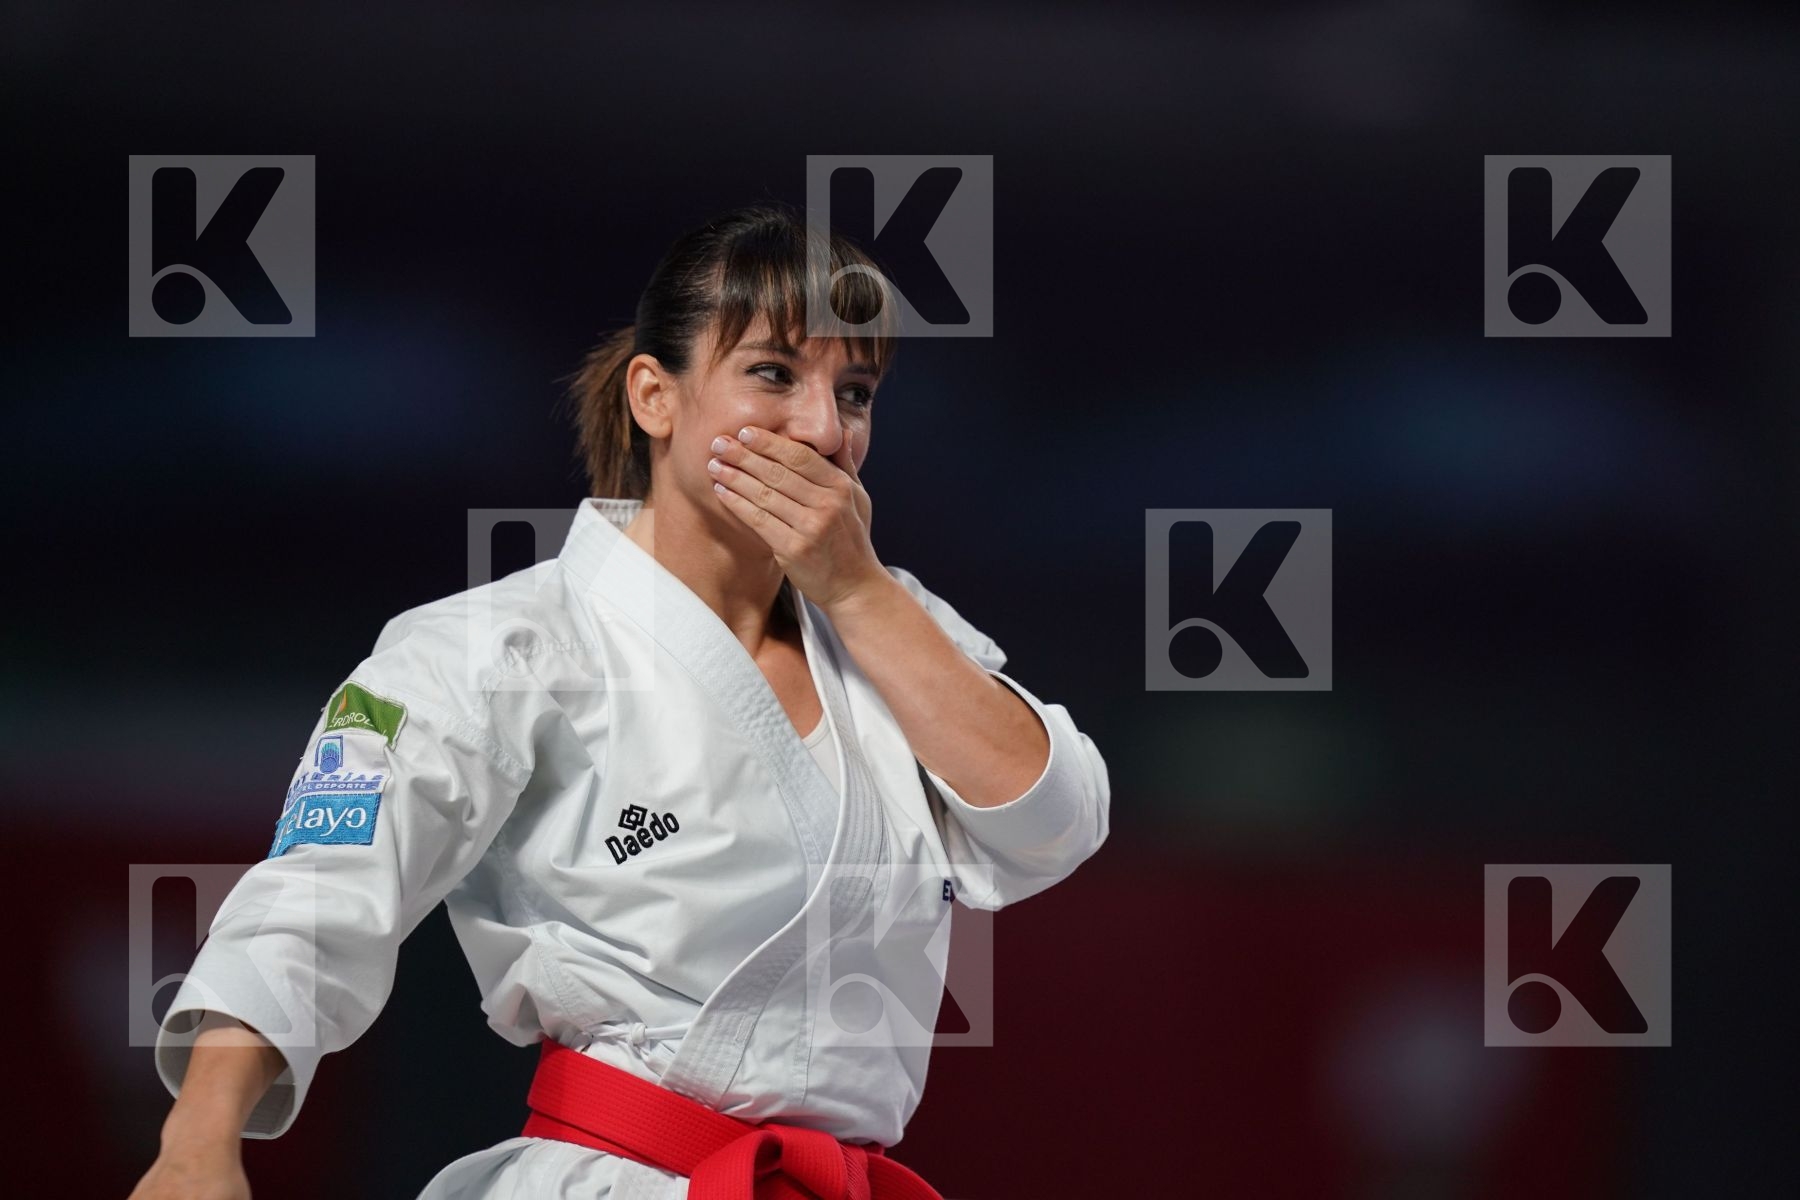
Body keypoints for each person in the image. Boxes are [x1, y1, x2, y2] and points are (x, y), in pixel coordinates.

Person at [130, 204, 1112, 1199]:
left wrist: (858, 594)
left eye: (853, 392)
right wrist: (198, 1143)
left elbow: (1055, 824)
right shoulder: (499, 643)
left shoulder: (891, 629)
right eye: (773, 374)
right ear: (656, 395)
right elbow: (313, 900)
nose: (822, 429)